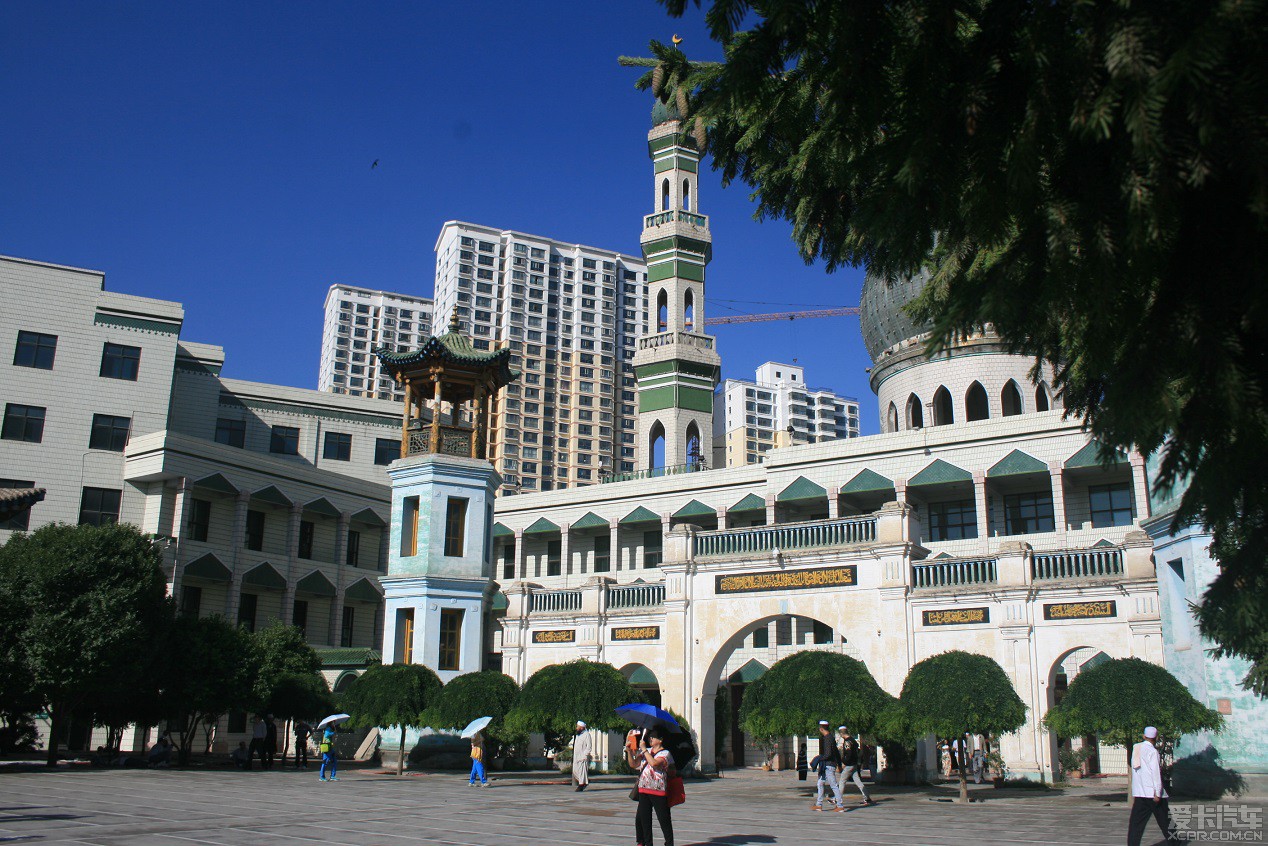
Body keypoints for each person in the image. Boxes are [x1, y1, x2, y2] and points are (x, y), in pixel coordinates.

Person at [626, 725, 674, 846]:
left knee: (664, 819)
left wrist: (644, 750)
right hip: (643, 790)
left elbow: (654, 763)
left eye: (653, 737)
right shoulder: (646, 752)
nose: (650, 739)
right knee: (644, 820)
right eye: (650, 736)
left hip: (658, 790)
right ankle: (647, 843)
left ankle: (669, 843)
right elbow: (634, 764)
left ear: (661, 739)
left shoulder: (665, 753)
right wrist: (628, 752)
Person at [1128, 727, 1176, 846]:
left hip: (1140, 793)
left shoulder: (1136, 748)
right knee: (1165, 821)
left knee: (1136, 823)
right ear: (1156, 737)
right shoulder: (1152, 752)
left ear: (1144, 736)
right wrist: (1157, 792)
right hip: (1152, 793)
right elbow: (1155, 773)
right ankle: (1175, 842)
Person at [813, 720, 846, 812]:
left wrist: (819, 758)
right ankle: (818, 804)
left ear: (821, 728)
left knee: (833, 785)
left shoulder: (827, 739)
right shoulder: (831, 738)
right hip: (827, 765)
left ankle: (840, 805)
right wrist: (839, 764)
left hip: (828, 765)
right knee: (820, 783)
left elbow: (828, 754)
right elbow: (836, 752)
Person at [837, 727, 874, 805]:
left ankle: (837, 799)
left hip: (849, 765)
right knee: (858, 781)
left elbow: (848, 754)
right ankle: (867, 797)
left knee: (842, 781)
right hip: (854, 764)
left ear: (841, 733)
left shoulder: (847, 742)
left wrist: (844, 762)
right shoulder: (853, 740)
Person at [572, 720, 592, 792]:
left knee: (582, 772)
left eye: (578, 727)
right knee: (575, 771)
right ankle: (584, 781)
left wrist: (585, 755)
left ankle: (581, 785)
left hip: (582, 757)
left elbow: (589, 746)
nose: (576, 728)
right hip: (576, 756)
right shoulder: (578, 735)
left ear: (581, 727)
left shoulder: (587, 735)